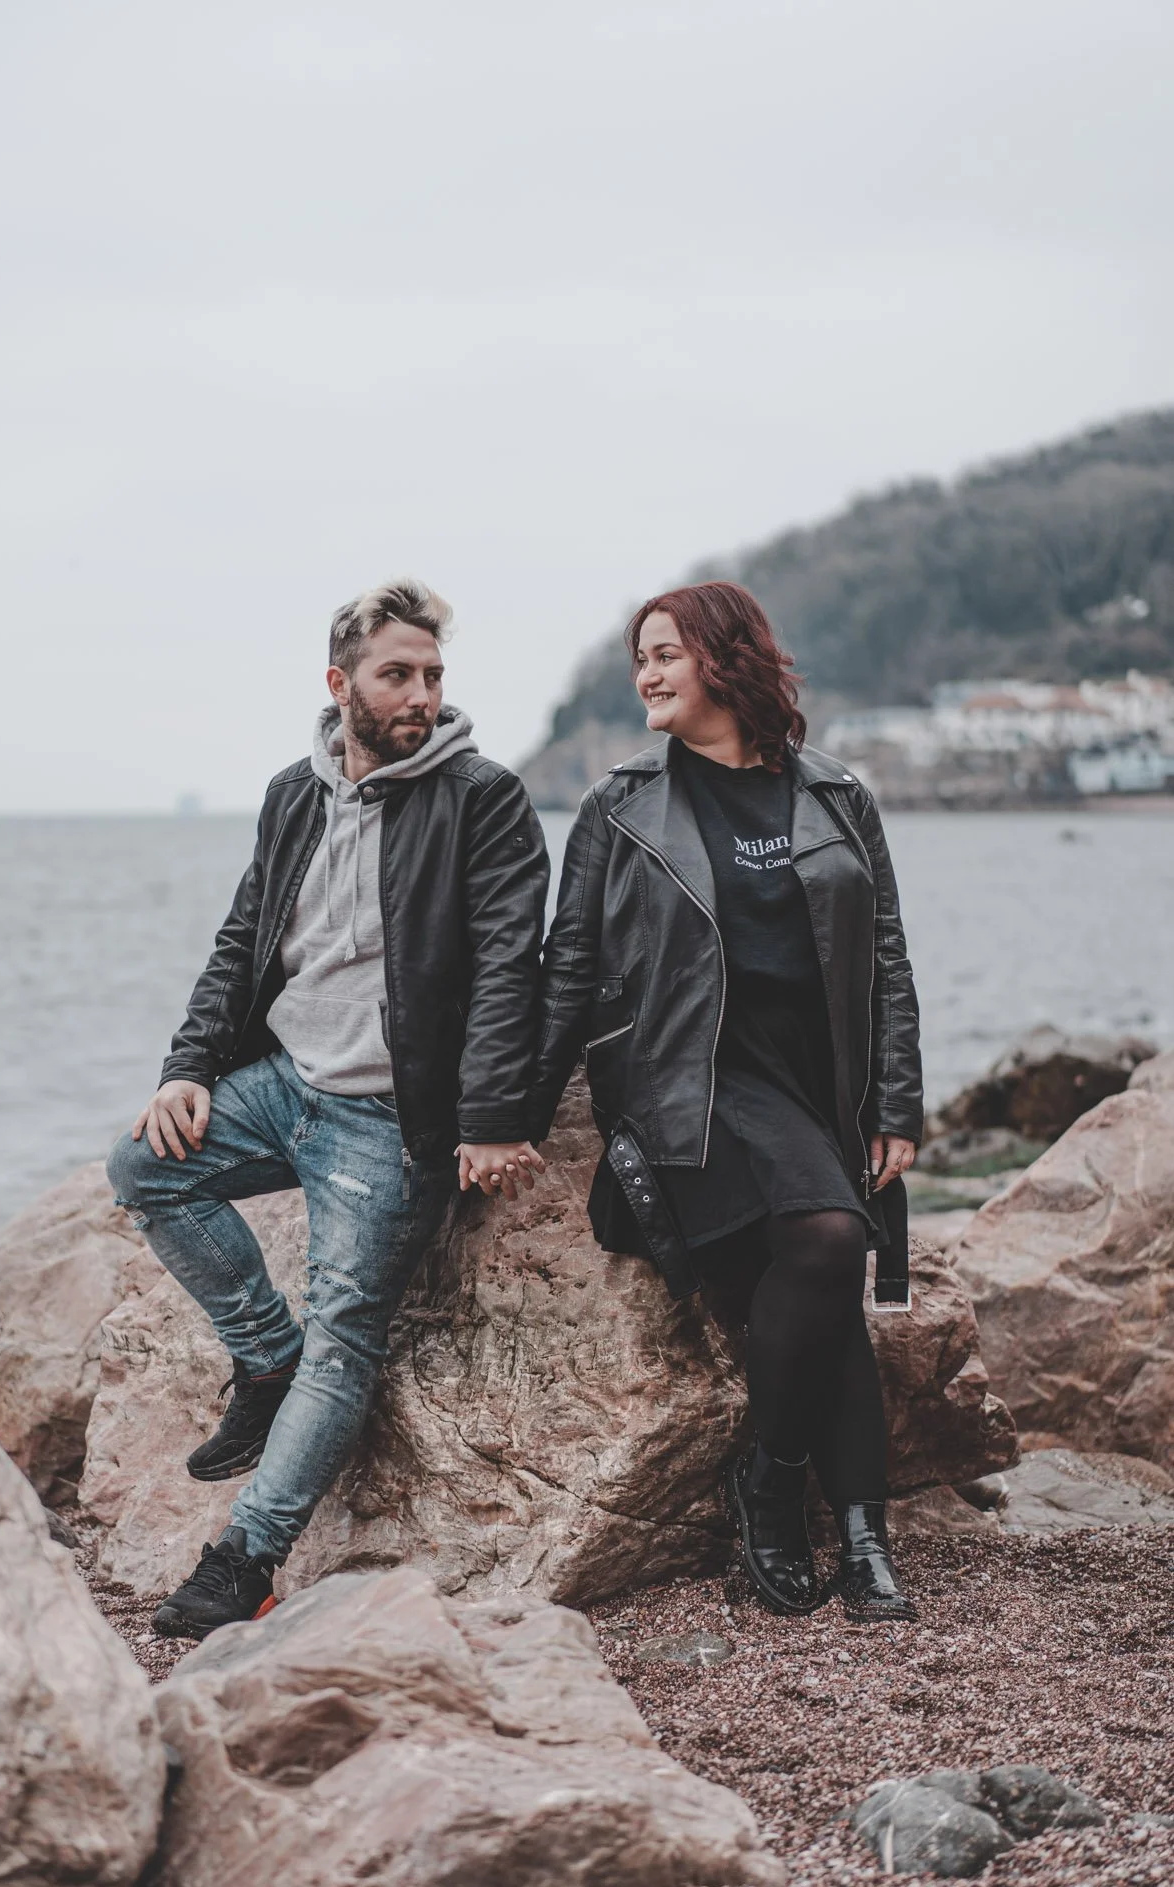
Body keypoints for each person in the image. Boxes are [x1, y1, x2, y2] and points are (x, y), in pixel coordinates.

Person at [108, 580, 549, 1640]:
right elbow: (243, 938)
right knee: (144, 1168)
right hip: (284, 1083)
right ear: (339, 681)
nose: (422, 695)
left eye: (435, 675)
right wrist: (189, 1067)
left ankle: (245, 1557)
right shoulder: (292, 794)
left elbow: (509, 970)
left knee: (348, 1333)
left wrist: (489, 1116)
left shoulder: (481, 796)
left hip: (388, 1119)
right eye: (399, 673)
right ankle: (266, 1356)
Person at [528, 581, 924, 1622]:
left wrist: (898, 1105)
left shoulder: (836, 796)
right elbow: (567, 965)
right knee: (835, 1240)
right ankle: (774, 1482)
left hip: (814, 1089)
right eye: (640, 659)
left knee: (819, 1301)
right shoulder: (624, 804)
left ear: (725, 657)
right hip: (689, 1089)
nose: (646, 674)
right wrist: (502, 1117)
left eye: (665, 653)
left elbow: (885, 957)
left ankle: (858, 1534)